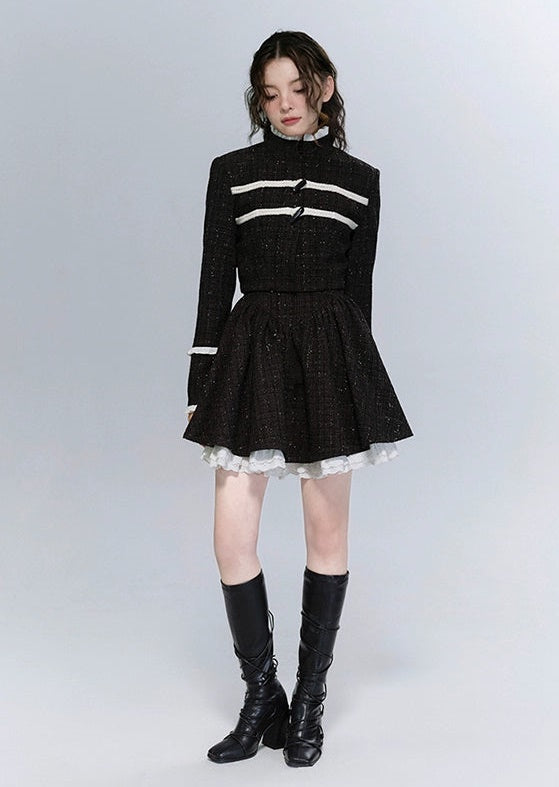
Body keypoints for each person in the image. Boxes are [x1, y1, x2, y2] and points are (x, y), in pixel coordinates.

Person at [183, 30, 413, 767]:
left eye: (298, 88)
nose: (285, 104)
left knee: (326, 534)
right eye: (270, 93)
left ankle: (308, 699)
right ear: (259, 100)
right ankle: (263, 696)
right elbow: (213, 282)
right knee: (231, 538)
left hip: (328, 356)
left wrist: (358, 387)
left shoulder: (361, 181)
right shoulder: (232, 172)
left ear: (326, 86)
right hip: (250, 351)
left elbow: (358, 295)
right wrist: (199, 386)